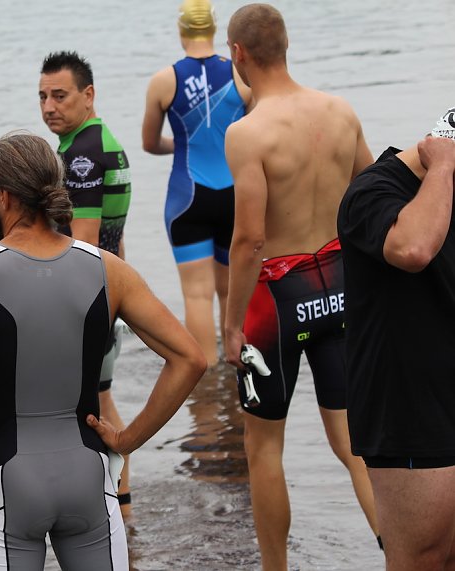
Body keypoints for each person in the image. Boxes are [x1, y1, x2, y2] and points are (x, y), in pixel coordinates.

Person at [0, 132, 206, 571]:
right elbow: (190, 359)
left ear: (3, 196)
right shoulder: (109, 270)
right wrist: (128, 439)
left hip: (6, 484)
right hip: (89, 480)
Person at [221, 5, 379, 569]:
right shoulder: (340, 111)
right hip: (340, 285)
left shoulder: (247, 134)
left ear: (238, 54)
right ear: (287, 45)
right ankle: (404, 551)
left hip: (277, 302)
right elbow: (372, 193)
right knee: (353, 442)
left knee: (264, 448)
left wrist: (231, 324)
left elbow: (249, 240)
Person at [337, 110, 455, 570]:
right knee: (422, 560)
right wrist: (443, 168)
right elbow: (413, 248)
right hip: (407, 412)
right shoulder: (372, 191)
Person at [38, 50, 135, 519]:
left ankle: (113, 506)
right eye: (42, 96)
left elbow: (86, 242)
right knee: (102, 399)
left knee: (93, 405)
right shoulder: (100, 141)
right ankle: (122, 505)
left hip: (90, 298)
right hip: (108, 294)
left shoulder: (82, 154)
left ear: (88, 94)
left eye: (60, 96)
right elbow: (116, 238)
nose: (49, 106)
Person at [141, 0, 252, 367]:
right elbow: (255, 135)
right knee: (231, 292)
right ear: (215, 29)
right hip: (235, 197)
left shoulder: (164, 80)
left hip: (187, 197)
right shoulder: (240, 75)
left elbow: (149, 143)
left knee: (197, 295)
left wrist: (184, 144)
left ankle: (205, 379)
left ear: (181, 30)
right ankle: (237, 373)